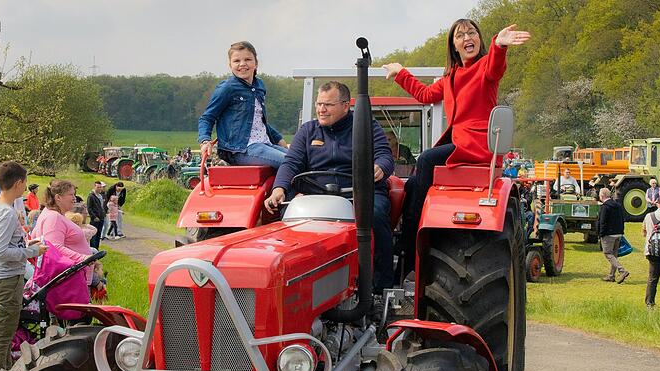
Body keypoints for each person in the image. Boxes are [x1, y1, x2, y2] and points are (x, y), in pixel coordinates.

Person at [382, 20, 531, 276]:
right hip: (458, 141)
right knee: (412, 185)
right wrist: (400, 73)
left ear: (480, 39)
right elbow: (426, 95)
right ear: (454, 45)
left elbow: (496, 66)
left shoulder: (485, 67)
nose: (467, 38)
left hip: (476, 144)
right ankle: (403, 238)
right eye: (460, 35)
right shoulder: (450, 77)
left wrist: (499, 44)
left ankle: (412, 237)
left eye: (472, 32)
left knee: (426, 159)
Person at [264, 81, 395, 293]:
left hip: (358, 192)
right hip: (316, 194)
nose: (321, 109)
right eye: (319, 104)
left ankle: (381, 287)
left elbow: (384, 154)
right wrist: (279, 188)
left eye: (328, 105)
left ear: (345, 106)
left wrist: (379, 167)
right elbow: (291, 163)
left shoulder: (366, 127)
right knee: (287, 214)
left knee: (376, 214)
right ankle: (293, 281)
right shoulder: (308, 131)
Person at [0, 161, 47, 371]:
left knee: (5, 332)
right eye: (25, 183)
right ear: (18, 183)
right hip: (6, 278)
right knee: (3, 335)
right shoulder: (7, 213)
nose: (25, 187)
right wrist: (32, 252)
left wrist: (24, 245)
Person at [198, 41, 288, 168]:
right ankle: (280, 188)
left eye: (248, 59)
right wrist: (205, 141)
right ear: (230, 65)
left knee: (301, 159)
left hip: (264, 143)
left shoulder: (259, 86)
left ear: (256, 63)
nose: (242, 64)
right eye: (236, 61)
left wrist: (278, 138)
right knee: (290, 163)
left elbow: (257, 120)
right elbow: (207, 118)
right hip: (240, 149)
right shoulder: (227, 88)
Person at [33, 180, 96, 288]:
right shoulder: (54, 217)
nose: (74, 198)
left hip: (73, 278)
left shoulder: (52, 214)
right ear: (58, 197)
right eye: (71, 194)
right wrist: (82, 258)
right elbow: (53, 247)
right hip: (68, 280)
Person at [598, 188, 629, 283]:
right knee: (614, 256)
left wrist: (600, 234)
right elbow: (622, 219)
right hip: (618, 233)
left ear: (602, 196)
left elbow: (602, 222)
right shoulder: (618, 205)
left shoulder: (605, 207)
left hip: (608, 234)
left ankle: (622, 270)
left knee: (608, 254)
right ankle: (611, 275)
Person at [86, 181, 106, 249]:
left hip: (101, 217)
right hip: (95, 218)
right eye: (98, 187)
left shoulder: (100, 195)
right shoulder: (91, 196)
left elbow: (102, 206)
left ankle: (97, 249)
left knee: (98, 234)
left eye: (100, 187)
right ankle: (93, 249)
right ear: (94, 187)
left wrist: (103, 214)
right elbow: (89, 208)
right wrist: (94, 216)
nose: (99, 189)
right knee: (93, 234)